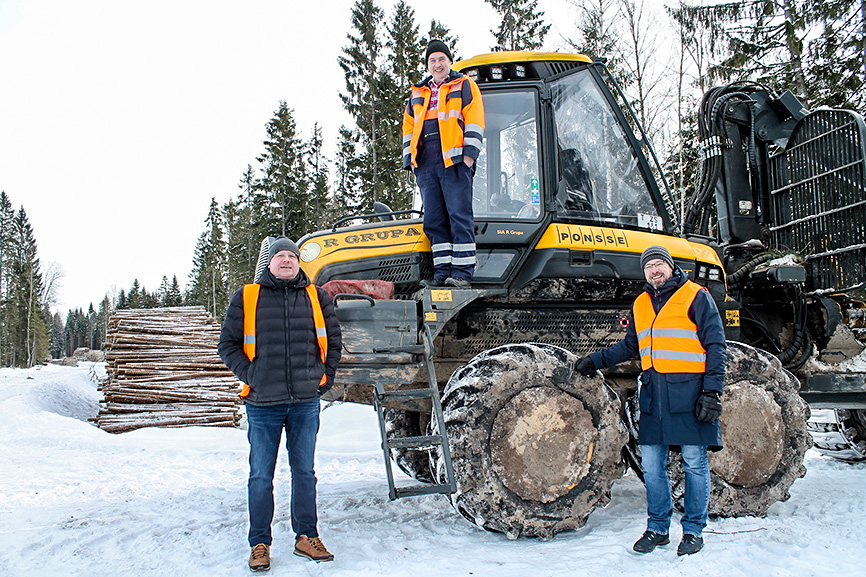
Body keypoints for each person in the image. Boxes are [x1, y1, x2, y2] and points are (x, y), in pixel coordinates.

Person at [573, 245, 725, 557]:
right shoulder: (641, 303)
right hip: (655, 394)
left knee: (694, 464)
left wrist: (712, 392)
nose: (654, 271)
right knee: (653, 466)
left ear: (670, 267)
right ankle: (657, 528)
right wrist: (594, 360)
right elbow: (631, 347)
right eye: (648, 267)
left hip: (691, 392)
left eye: (659, 265)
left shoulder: (696, 295)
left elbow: (716, 346)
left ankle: (694, 531)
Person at [218, 235, 342, 572]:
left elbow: (333, 341)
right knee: (261, 475)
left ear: (298, 263)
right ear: (269, 263)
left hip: (304, 401)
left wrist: (325, 377)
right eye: (280, 256)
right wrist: (251, 374)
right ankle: (260, 543)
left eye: (291, 255)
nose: (286, 260)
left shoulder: (317, 296)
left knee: (305, 473)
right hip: (262, 403)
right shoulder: (247, 296)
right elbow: (227, 344)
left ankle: (306, 537)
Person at [403, 39, 485, 289]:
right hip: (426, 162)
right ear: (428, 65)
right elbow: (408, 127)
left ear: (450, 61)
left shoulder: (464, 85)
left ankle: (462, 272)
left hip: (454, 160)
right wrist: (411, 161)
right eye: (432, 60)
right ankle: (442, 272)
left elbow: (475, 118)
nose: (437, 64)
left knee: (458, 215)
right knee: (434, 220)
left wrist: (469, 154)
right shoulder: (418, 93)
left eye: (441, 59)